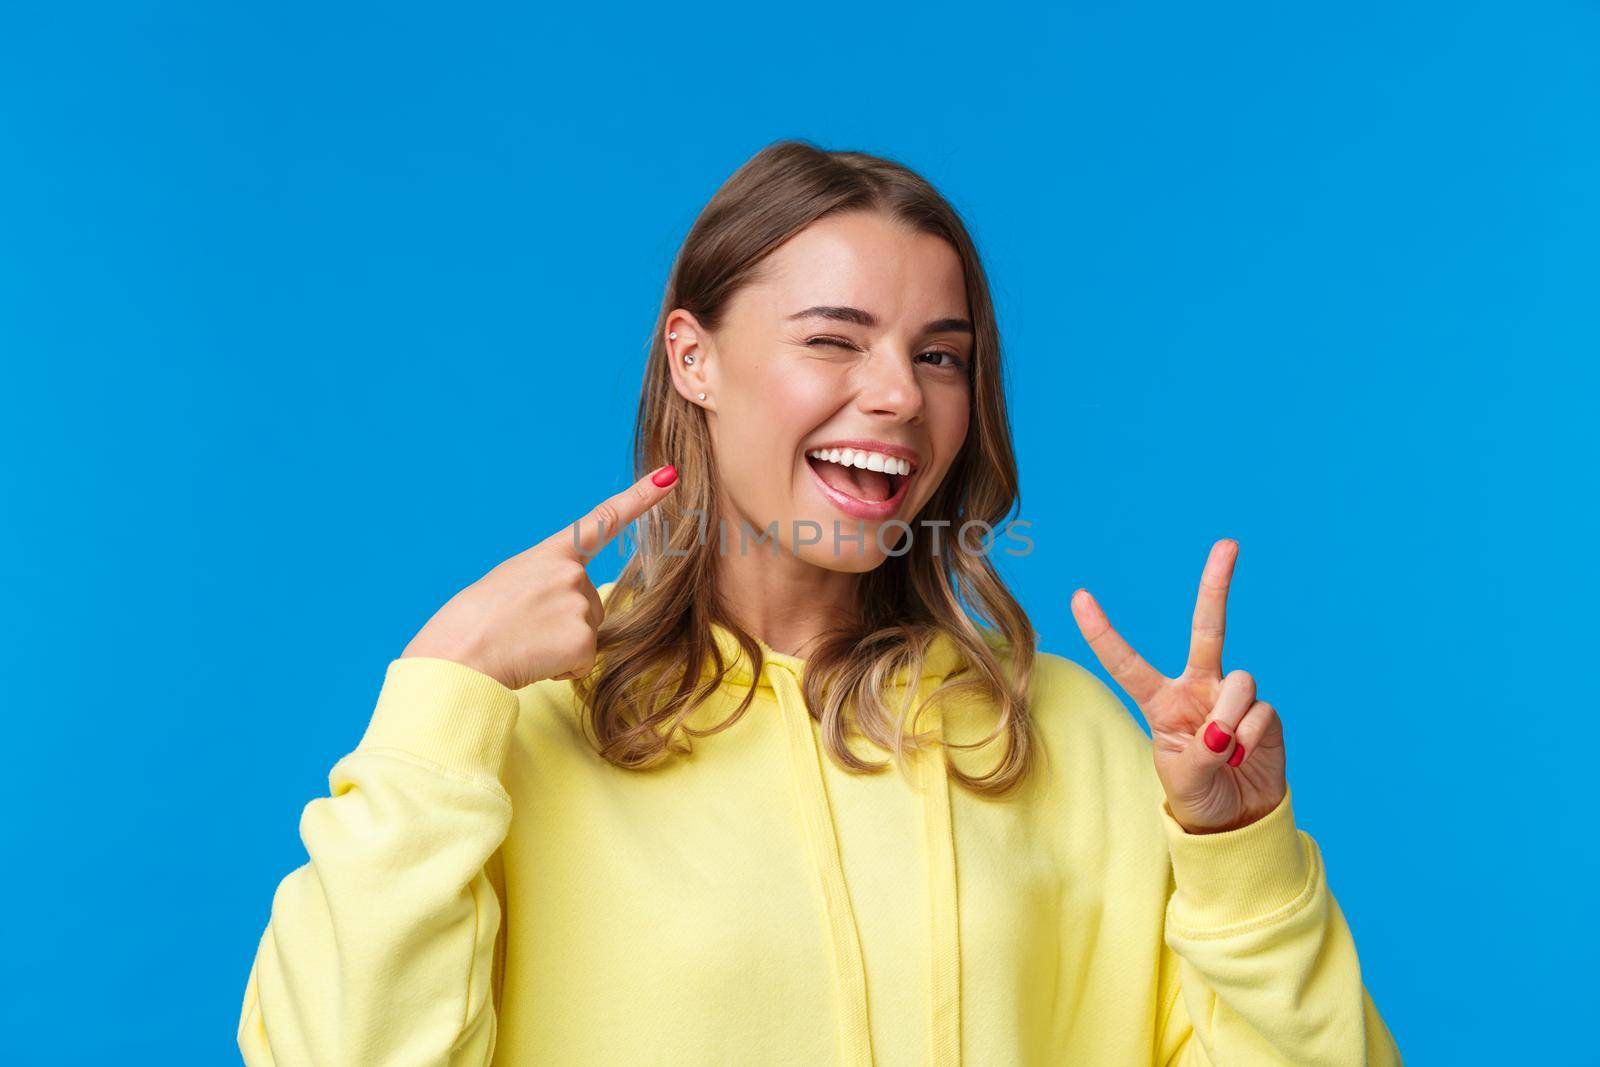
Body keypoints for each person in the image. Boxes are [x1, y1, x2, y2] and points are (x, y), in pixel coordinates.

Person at [236, 140, 1402, 1065]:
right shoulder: (523, 729)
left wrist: (1236, 848)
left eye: (940, 355)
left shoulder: (1065, 733)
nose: (897, 394)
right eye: (833, 340)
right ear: (694, 358)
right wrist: (440, 699)